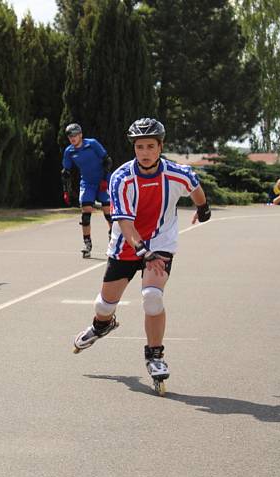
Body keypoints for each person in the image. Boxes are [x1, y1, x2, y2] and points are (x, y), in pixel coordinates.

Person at [72, 118, 211, 395]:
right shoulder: (121, 177)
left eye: (150, 146)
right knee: (104, 304)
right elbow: (124, 221)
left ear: (160, 147)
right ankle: (103, 325)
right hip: (127, 244)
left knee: (152, 295)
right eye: (139, 147)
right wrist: (140, 249)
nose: (144, 152)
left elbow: (195, 188)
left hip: (161, 242)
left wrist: (203, 208)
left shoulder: (177, 173)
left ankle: (155, 355)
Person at [61, 123, 113, 258]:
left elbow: (107, 160)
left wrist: (104, 180)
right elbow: (66, 172)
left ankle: (113, 239)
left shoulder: (92, 144)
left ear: (81, 135)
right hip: (87, 183)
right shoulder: (69, 151)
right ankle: (87, 244)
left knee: (108, 212)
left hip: (103, 181)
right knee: (85, 212)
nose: (72, 138)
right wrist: (66, 190)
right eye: (70, 136)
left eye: (75, 135)